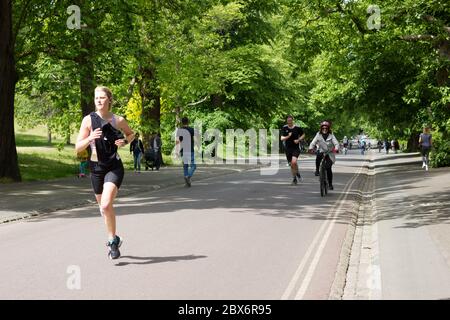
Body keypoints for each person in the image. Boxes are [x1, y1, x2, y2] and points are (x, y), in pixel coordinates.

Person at [75, 86, 134, 260]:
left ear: (109, 100)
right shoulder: (88, 120)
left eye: (102, 97)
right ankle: (116, 237)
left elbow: (131, 134)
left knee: (107, 205)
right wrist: (90, 138)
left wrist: (124, 140)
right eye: (96, 98)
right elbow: (78, 148)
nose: (98, 101)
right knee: (103, 209)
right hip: (96, 169)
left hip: (113, 166)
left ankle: (111, 242)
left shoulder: (118, 119)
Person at [308, 121, 339, 190]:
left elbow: (336, 143)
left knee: (328, 168)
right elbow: (313, 142)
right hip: (321, 151)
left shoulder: (331, 135)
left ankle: (330, 184)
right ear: (321, 128)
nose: (324, 129)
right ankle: (317, 170)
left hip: (330, 153)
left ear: (328, 129)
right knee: (318, 156)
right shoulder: (318, 135)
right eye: (323, 128)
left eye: (326, 128)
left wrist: (336, 149)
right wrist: (310, 148)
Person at [280, 115, 305, 185]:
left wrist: (299, 139)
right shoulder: (284, 128)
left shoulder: (297, 128)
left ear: (292, 121)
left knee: (294, 162)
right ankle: (295, 177)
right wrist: (288, 136)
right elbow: (281, 138)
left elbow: (303, 134)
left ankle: (296, 176)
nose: (289, 122)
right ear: (287, 121)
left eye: (290, 121)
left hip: (296, 148)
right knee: (292, 164)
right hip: (288, 149)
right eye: (288, 121)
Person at [176, 117, 198, 187]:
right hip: (190, 150)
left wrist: (177, 151)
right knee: (193, 166)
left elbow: (178, 141)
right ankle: (188, 176)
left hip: (183, 150)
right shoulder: (191, 130)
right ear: (188, 122)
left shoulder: (179, 131)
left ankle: (186, 179)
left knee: (185, 166)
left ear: (182, 122)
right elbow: (195, 139)